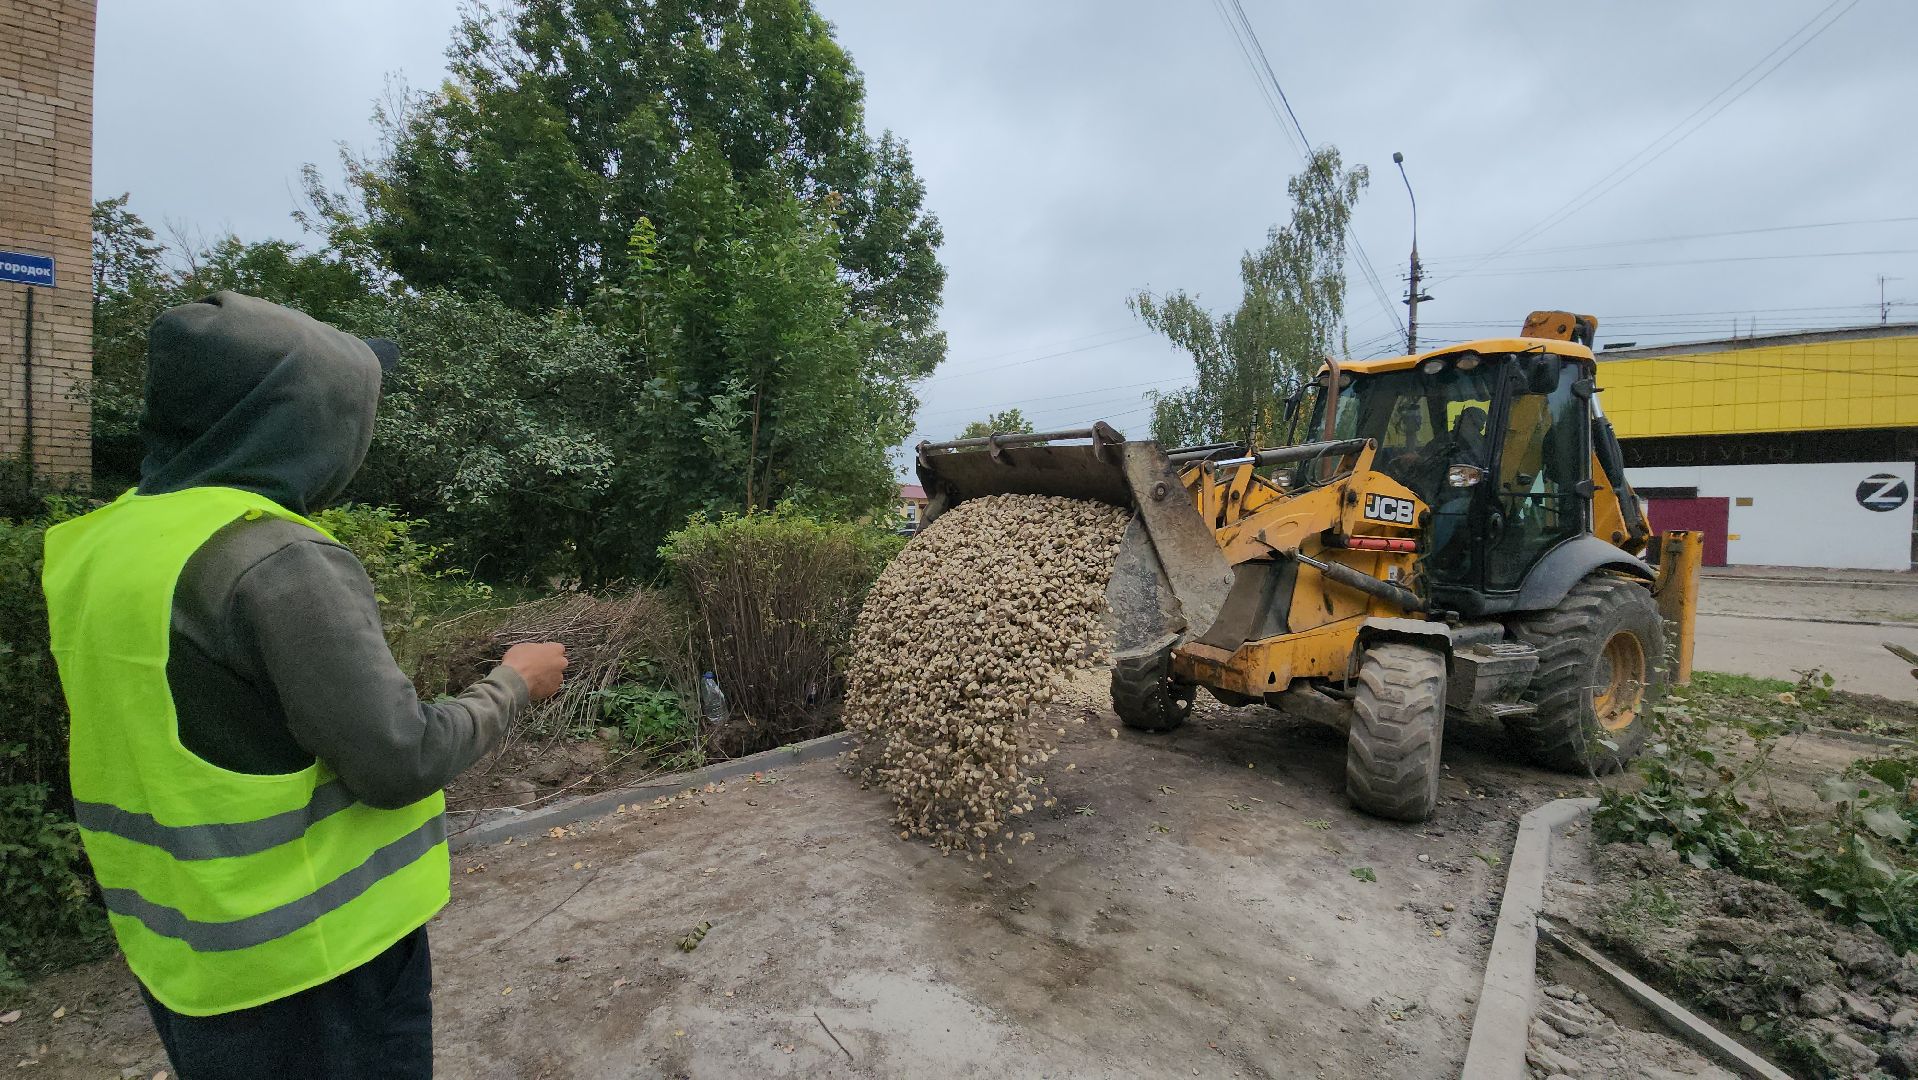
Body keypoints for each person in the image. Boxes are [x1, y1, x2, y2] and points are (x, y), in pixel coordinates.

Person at [41, 291, 569, 1079]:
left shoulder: (99, 542)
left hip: (190, 956)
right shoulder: (274, 558)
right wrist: (513, 684)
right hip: (316, 963)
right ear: (300, 422)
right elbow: (400, 758)